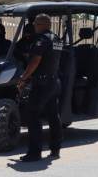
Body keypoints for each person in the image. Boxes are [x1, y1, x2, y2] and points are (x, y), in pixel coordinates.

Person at [16, 14, 63, 162]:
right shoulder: (56, 39)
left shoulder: (41, 40)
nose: (34, 27)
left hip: (42, 84)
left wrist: (23, 78)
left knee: (32, 115)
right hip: (54, 82)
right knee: (53, 116)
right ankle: (55, 150)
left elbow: (35, 61)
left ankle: (34, 153)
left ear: (42, 24)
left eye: (36, 24)